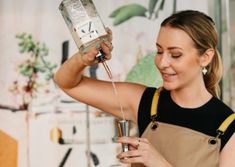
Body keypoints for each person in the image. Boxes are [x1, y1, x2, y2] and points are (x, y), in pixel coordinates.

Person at [54, 10, 235, 167]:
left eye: (175, 54)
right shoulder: (144, 101)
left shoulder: (228, 127)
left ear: (205, 57)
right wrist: (83, 59)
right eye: (159, 51)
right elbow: (68, 83)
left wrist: (158, 162)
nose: (162, 63)